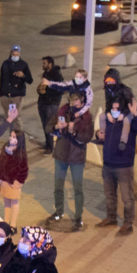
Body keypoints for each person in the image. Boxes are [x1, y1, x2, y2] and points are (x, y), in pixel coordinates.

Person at [96, 97, 137, 235]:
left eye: (116, 108)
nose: (114, 111)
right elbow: (105, 139)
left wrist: (136, 114)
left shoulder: (130, 121)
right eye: (112, 108)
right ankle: (111, 217)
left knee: (127, 197)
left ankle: (128, 223)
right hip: (108, 163)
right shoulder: (108, 120)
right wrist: (99, 135)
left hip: (124, 166)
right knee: (109, 194)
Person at [47, 90, 94, 230]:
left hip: (76, 158)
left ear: (82, 101)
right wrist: (56, 127)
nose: (73, 103)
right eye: (71, 100)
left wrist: (74, 132)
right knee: (58, 186)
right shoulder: (62, 112)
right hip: (61, 155)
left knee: (78, 188)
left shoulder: (86, 117)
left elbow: (87, 137)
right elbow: (48, 127)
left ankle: (78, 216)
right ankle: (59, 211)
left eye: (76, 100)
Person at [0, 132, 28, 226]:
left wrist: (19, 181)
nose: (11, 138)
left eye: (14, 137)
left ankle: (13, 224)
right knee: (6, 202)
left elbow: (24, 170)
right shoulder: (6, 147)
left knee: (14, 202)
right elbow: (1, 162)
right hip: (4, 180)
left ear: (19, 140)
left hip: (13, 182)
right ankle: (6, 221)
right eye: (11, 136)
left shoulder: (20, 152)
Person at [0, 44, 33, 133]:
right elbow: (2, 79)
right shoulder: (5, 64)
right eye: (14, 53)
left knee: (16, 117)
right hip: (5, 95)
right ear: (11, 53)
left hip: (17, 95)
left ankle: (19, 138)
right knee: (8, 117)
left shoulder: (24, 64)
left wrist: (23, 76)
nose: (15, 55)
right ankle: (12, 136)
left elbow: (30, 80)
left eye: (17, 54)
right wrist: (2, 94)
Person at [100, 67, 134, 149]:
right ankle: (103, 136)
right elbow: (108, 104)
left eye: (112, 80)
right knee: (102, 117)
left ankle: (123, 141)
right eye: (107, 81)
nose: (109, 83)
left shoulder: (125, 90)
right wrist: (108, 113)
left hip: (127, 111)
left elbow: (132, 106)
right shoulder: (107, 90)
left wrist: (123, 114)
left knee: (126, 121)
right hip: (114, 111)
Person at [35, 56, 63, 152]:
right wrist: (39, 91)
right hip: (43, 103)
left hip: (51, 104)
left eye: (44, 63)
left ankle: (50, 147)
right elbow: (42, 88)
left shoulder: (57, 76)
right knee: (44, 125)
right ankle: (47, 144)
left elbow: (60, 91)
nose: (43, 65)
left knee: (50, 125)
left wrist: (47, 93)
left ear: (50, 64)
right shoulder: (46, 74)